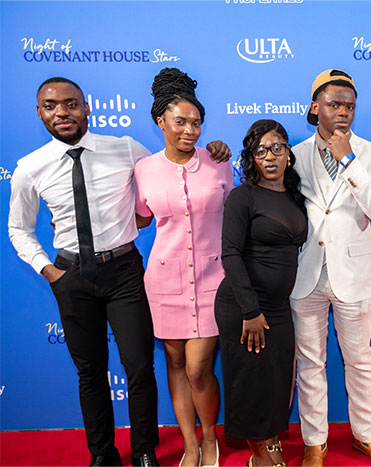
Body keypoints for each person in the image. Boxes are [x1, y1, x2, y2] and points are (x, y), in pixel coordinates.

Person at [7, 77, 230, 467]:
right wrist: (48, 269)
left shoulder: (127, 151)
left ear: (87, 107)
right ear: (39, 112)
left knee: (140, 366)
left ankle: (144, 450)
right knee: (90, 371)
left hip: (125, 271)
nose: (62, 112)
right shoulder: (29, 168)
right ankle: (102, 453)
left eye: (71, 104)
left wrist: (212, 151)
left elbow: (164, 181)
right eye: (51, 105)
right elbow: (18, 229)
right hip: (71, 275)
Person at [290, 69, 371, 467]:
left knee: (359, 360)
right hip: (305, 276)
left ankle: (366, 436)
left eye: (350, 106)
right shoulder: (294, 155)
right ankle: (314, 442)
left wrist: (349, 161)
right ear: (315, 106)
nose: (343, 112)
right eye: (334, 104)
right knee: (310, 363)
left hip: (353, 276)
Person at [134, 68, 233, 467]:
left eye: (196, 123)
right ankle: (191, 446)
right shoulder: (143, 169)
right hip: (164, 281)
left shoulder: (218, 161)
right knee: (175, 362)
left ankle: (211, 439)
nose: (190, 130)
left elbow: (238, 213)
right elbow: (139, 217)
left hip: (214, 279)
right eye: (181, 122)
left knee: (197, 368)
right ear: (161, 121)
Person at [215, 119, 307, 467]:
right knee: (252, 384)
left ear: (287, 154)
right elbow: (231, 254)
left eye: (277, 148)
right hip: (243, 307)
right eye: (260, 150)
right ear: (251, 158)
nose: (269, 156)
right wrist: (250, 311)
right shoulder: (243, 197)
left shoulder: (296, 196)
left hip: (279, 308)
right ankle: (260, 455)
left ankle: (271, 445)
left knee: (276, 382)